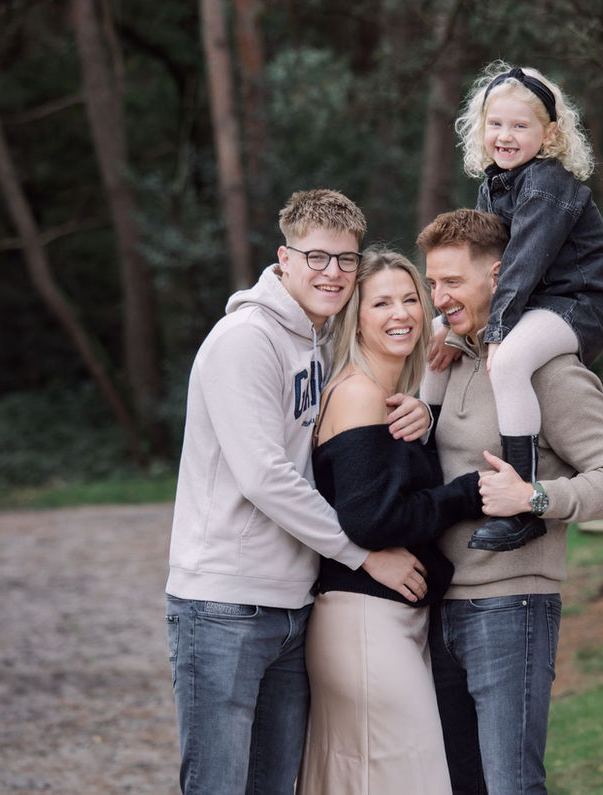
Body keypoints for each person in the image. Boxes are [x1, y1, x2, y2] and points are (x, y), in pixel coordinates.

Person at [164, 189, 433, 795]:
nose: (332, 273)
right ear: (283, 259)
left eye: (345, 260)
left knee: (274, 786)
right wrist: (364, 556)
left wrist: (420, 408)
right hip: (224, 603)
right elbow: (265, 478)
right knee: (218, 785)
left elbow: (403, 329)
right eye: (316, 258)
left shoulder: (321, 338)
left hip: (294, 602)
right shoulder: (245, 342)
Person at [418, 208, 603, 794]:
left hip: (511, 608)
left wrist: (535, 495)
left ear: (499, 277)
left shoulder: (547, 371)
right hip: (438, 607)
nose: (437, 297)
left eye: (451, 282)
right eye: (432, 282)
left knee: (511, 784)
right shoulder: (449, 360)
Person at [296, 247, 494, 794]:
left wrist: (427, 415)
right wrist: (466, 494)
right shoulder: (358, 394)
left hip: (391, 622)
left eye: (411, 298)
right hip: (364, 625)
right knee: (414, 776)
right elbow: (373, 521)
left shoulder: (393, 399)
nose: (401, 313)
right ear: (354, 315)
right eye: (381, 302)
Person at [421, 61, 603, 553]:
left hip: (576, 304)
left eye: (520, 126)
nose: (505, 136)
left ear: (549, 134)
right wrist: (448, 326)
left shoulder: (547, 184)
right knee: (432, 329)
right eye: (496, 124)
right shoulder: (495, 184)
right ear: (480, 127)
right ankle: (420, 452)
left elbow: (523, 264)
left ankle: (521, 498)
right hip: (532, 302)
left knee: (508, 360)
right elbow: (485, 264)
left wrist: (493, 332)